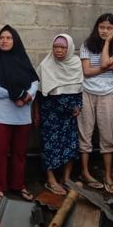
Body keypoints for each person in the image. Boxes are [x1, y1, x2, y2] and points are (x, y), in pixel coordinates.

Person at [0, 25, 38, 202]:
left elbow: (35, 81)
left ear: (15, 41)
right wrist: (17, 95)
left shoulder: (23, 60)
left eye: (8, 38)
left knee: (19, 153)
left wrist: (28, 96)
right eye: (1, 38)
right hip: (0, 114)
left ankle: (18, 185)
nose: (4, 41)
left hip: (22, 114)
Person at [78, 13, 113, 194]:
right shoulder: (86, 46)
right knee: (85, 134)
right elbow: (87, 72)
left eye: (109, 28)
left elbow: (104, 61)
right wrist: (105, 67)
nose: (105, 31)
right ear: (97, 27)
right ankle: (85, 172)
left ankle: (107, 175)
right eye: (102, 27)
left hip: (106, 95)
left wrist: (107, 44)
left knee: (107, 136)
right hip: (86, 94)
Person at [34, 34, 83, 195]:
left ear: (68, 49)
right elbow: (38, 93)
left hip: (69, 115)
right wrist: (36, 113)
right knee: (49, 146)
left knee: (70, 146)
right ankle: (51, 180)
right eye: (56, 47)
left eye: (63, 47)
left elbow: (79, 87)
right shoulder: (46, 65)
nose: (59, 50)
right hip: (50, 115)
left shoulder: (75, 64)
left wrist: (78, 106)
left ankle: (66, 178)